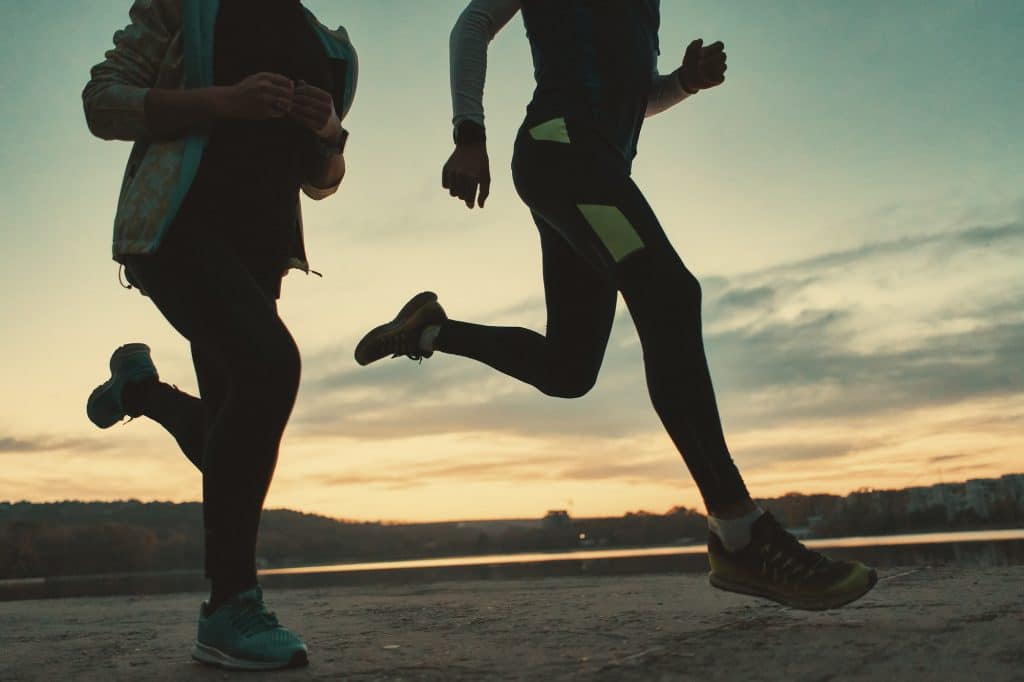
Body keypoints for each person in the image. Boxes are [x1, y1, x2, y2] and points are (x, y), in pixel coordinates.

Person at [355, 0, 877, 611]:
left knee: (568, 369)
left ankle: (431, 331)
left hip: (588, 167)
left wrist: (682, 84)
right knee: (671, 295)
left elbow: (630, 98)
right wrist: (469, 134)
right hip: (561, 153)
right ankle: (739, 531)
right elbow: (471, 26)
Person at [82, 0, 356, 669]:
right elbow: (102, 103)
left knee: (233, 436)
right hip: (177, 230)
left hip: (261, 254)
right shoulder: (186, 6)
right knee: (271, 368)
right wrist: (223, 101)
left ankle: (142, 392)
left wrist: (329, 130)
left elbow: (323, 180)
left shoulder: (332, 49)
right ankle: (229, 606)